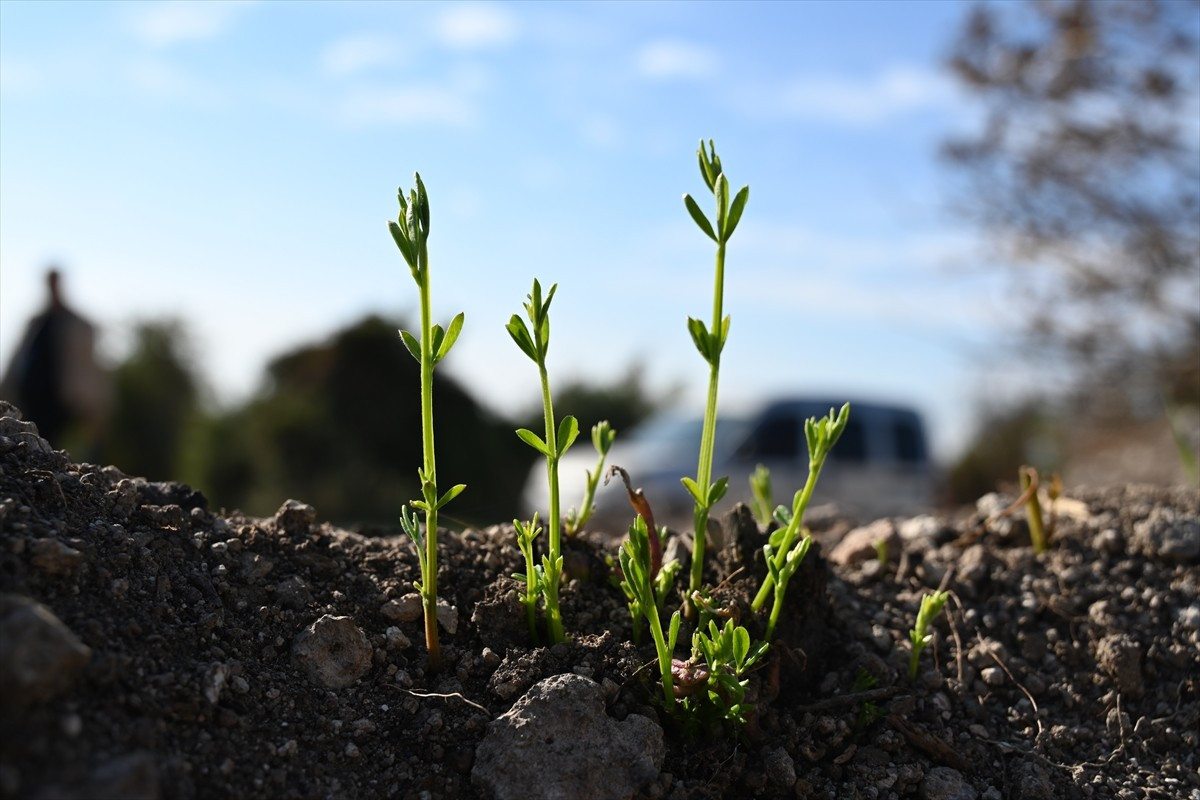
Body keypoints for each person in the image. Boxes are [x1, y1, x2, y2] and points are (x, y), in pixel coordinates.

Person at [0, 268, 109, 453]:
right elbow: (19, 357)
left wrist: (91, 403)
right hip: (31, 394)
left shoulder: (76, 324)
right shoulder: (36, 322)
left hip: (60, 397)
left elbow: (86, 366)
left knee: (51, 442)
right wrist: (7, 387)